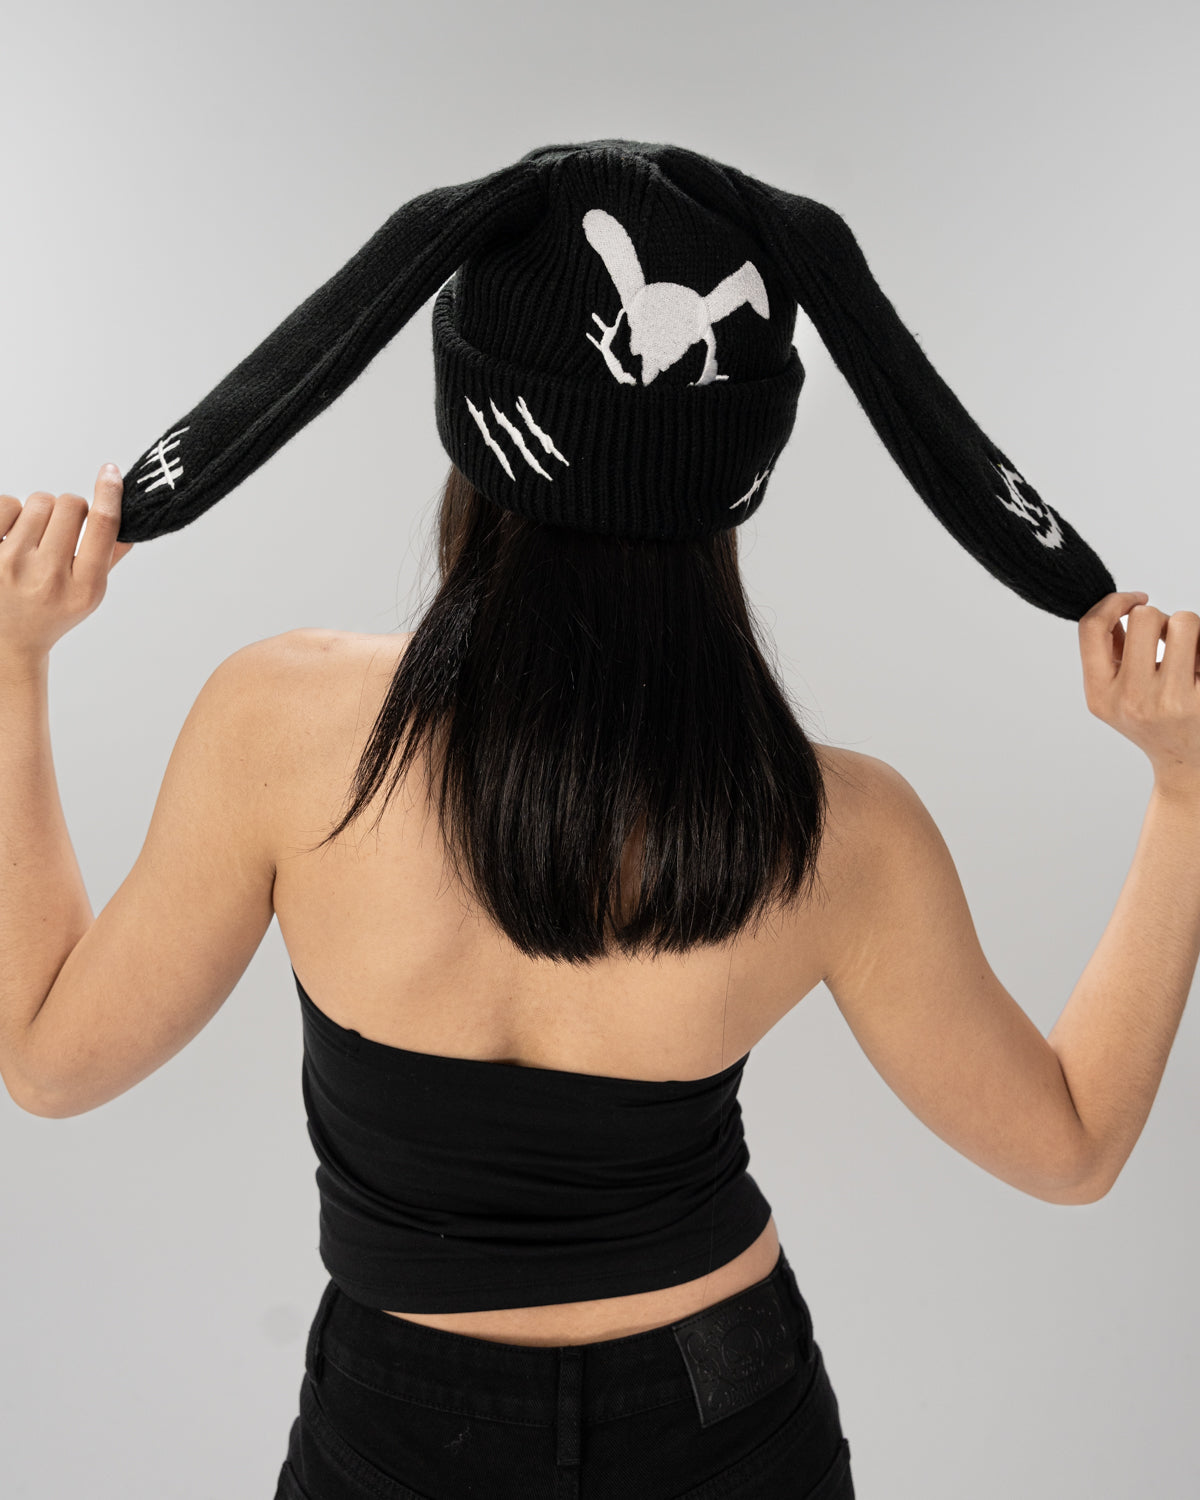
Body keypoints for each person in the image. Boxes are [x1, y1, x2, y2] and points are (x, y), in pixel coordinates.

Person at [9, 140, 1197, 1497]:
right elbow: (1072, 1144)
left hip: (397, 1423)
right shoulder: (832, 831)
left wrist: (10, 667)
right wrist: (1185, 792)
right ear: (737, 465)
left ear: (475, 430)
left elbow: (48, 1059)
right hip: (726, 1411)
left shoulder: (274, 730)